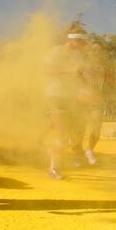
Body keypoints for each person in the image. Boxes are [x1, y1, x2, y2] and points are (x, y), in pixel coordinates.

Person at [44, 25, 90, 179]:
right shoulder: (57, 52)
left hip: (73, 98)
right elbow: (47, 71)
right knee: (62, 135)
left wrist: (87, 90)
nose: (84, 45)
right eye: (82, 42)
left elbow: (79, 76)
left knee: (77, 135)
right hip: (57, 96)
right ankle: (54, 168)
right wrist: (68, 71)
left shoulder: (79, 55)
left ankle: (51, 151)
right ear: (73, 40)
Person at [77, 43, 114, 165]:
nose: (96, 52)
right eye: (93, 50)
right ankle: (77, 155)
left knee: (97, 130)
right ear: (89, 52)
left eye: (98, 50)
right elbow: (73, 80)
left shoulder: (104, 67)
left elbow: (111, 84)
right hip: (82, 100)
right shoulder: (82, 65)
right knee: (80, 130)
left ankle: (89, 150)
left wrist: (109, 87)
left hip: (96, 100)